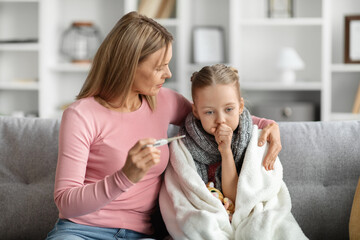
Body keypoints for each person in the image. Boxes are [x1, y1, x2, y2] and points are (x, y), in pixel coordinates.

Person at [46, 11, 281, 239]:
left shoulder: (164, 101)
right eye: (159, 67)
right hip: (81, 231)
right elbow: (66, 204)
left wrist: (267, 124)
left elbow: (212, 113)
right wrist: (125, 177)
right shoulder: (81, 115)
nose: (167, 74)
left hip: (140, 234)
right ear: (128, 66)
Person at [179, 64, 269, 207]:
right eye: (209, 112)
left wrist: (226, 151)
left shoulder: (251, 138)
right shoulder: (185, 143)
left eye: (228, 109)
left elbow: (234, 196)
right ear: (196, 112)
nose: (220, 119)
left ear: (240, 107)